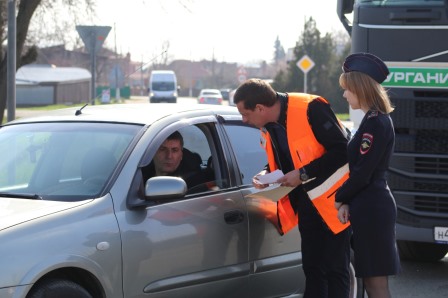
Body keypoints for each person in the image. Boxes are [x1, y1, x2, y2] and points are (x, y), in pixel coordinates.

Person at [233, 78, 352, 298]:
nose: (244, 120)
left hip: (335, 204)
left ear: (260, 108)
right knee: (313, 269)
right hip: (306, 204)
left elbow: (342, 151)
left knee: (336, 270)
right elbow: (289, 159)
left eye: (245, 114)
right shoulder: (268, 125)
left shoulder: (311, 108)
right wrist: (266, 174)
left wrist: (303, 174)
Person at [335, 52, 401, 298]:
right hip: (369, 205)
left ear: (360, 89)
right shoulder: (371, 121)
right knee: (372, 282)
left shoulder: (375, 123)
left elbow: (363, 172)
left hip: (373, 207)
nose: (344, 95)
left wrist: (340, 198)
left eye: (347, 89)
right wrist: (349, 201)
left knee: (375, 285)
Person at [142, 131, 207, 190]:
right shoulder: (138, 174)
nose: (169, 156)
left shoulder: (192, 183)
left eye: (174, 150)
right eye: (163, 149)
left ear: (181, 155)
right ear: (152, 153)